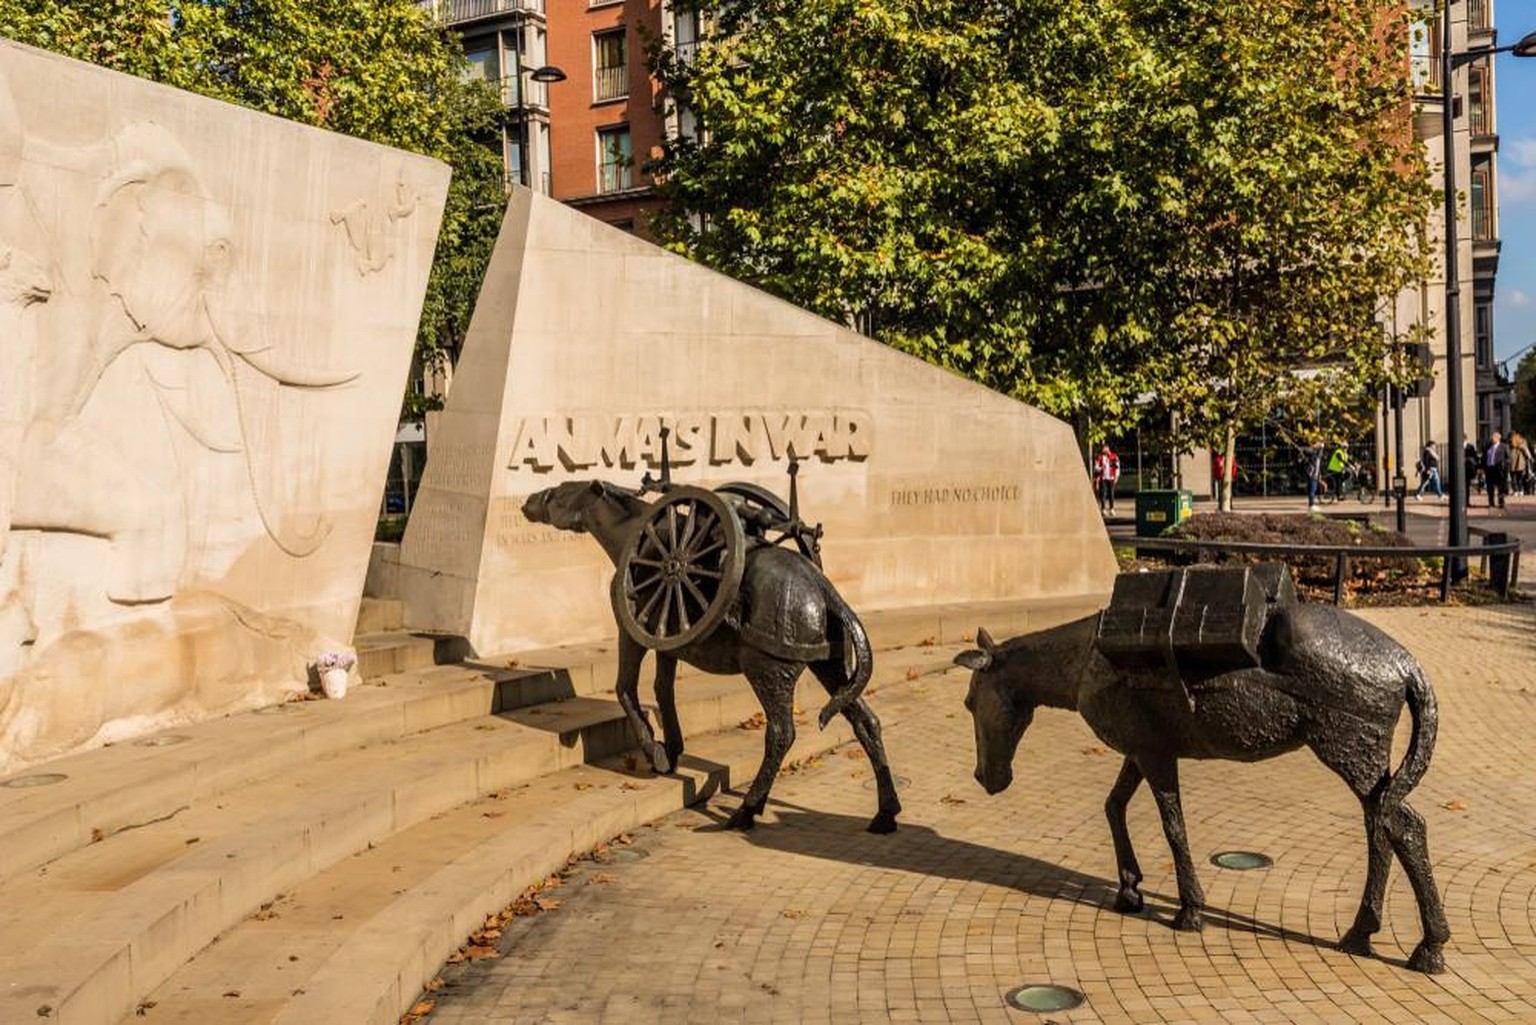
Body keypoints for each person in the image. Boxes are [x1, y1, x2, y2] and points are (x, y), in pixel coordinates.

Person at [1093, 444, 1121, 514]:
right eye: (1102, 448)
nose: (1102, 450)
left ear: (1107, 448)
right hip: (1103, 478)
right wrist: (1100, 468)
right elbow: (1096, 468)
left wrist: (1116, 477)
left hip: (1111, 478)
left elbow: (1117, 468)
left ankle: (1112, 509)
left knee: (1111, 493)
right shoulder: (1099, 457)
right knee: (1103, 494)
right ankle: (1103, 509)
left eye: (1104, 448)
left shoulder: (1114, 456)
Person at [1484, 431, 1509, 509]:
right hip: (1489, 469)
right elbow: (1484, 457)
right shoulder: (1488, 447)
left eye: (1494, 437)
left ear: (1498, 438)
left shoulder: (1504, 446)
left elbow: (1508, 458)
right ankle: (1491, 502)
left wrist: (1504, 465)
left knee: (1500, 487)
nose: (1492, 439)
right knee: (1490, 487)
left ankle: (1501, 502)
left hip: (1498, 469)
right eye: (1492, 437)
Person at [1510, 432, 1533, 496]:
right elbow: (1527, 452)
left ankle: (1516, 490)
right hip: (1520, 463)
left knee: (1513, 477)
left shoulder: (1510, 443)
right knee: (1519, 477)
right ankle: (1520, 490)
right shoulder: (1522, 443)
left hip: (1513, 462)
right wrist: (1530, 458)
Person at [1304, 443, 1323, 509]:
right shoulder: (1313, 455)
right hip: (1312, 474)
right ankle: (1311, 505)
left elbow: (1318, 467)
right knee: (1312, 489)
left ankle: (1311, 504)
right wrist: (1316, 446)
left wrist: (1319, 475)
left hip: (1314, 474)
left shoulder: (1317, 457)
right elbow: (1307, 450)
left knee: (1313, 489)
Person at [1464, 437, 1480, 508]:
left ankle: (1466, 502)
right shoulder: (1457, 445)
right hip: (1460, 469)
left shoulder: (1470, 447)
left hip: (1468, 469)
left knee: (1466, 486)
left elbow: (1474, 457)